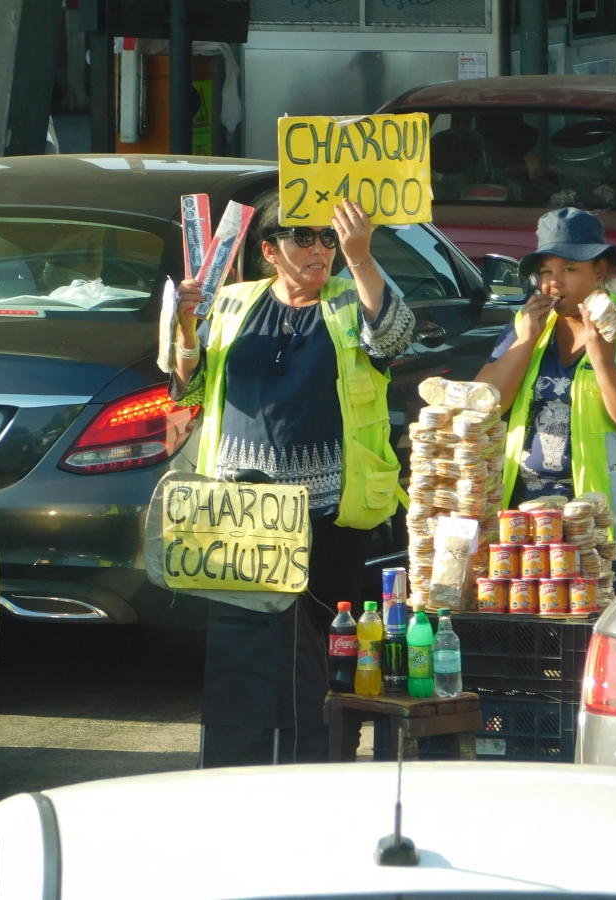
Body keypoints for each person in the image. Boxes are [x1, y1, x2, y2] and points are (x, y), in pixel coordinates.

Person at [170, 197, 414, 764]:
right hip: (242, 515)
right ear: (268, 250)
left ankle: (323, 767)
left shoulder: (354, 295)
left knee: (333, 657)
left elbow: (397, 339)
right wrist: (186, 324)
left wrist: (361, 256)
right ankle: (236, 772)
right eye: (303, 238)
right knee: (244, 656)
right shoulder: (230, 302)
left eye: (326, 238)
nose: (319, 250)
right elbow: (190, 390)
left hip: (329, 512)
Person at [476, 207, 616, 590]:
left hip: (611, 531)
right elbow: (488, 403)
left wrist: (602, 361)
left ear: (599, 271)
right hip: (530, 524)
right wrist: (526, 340)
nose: (553, 284)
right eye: (546, 272)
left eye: (568, 270)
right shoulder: (527, 324)